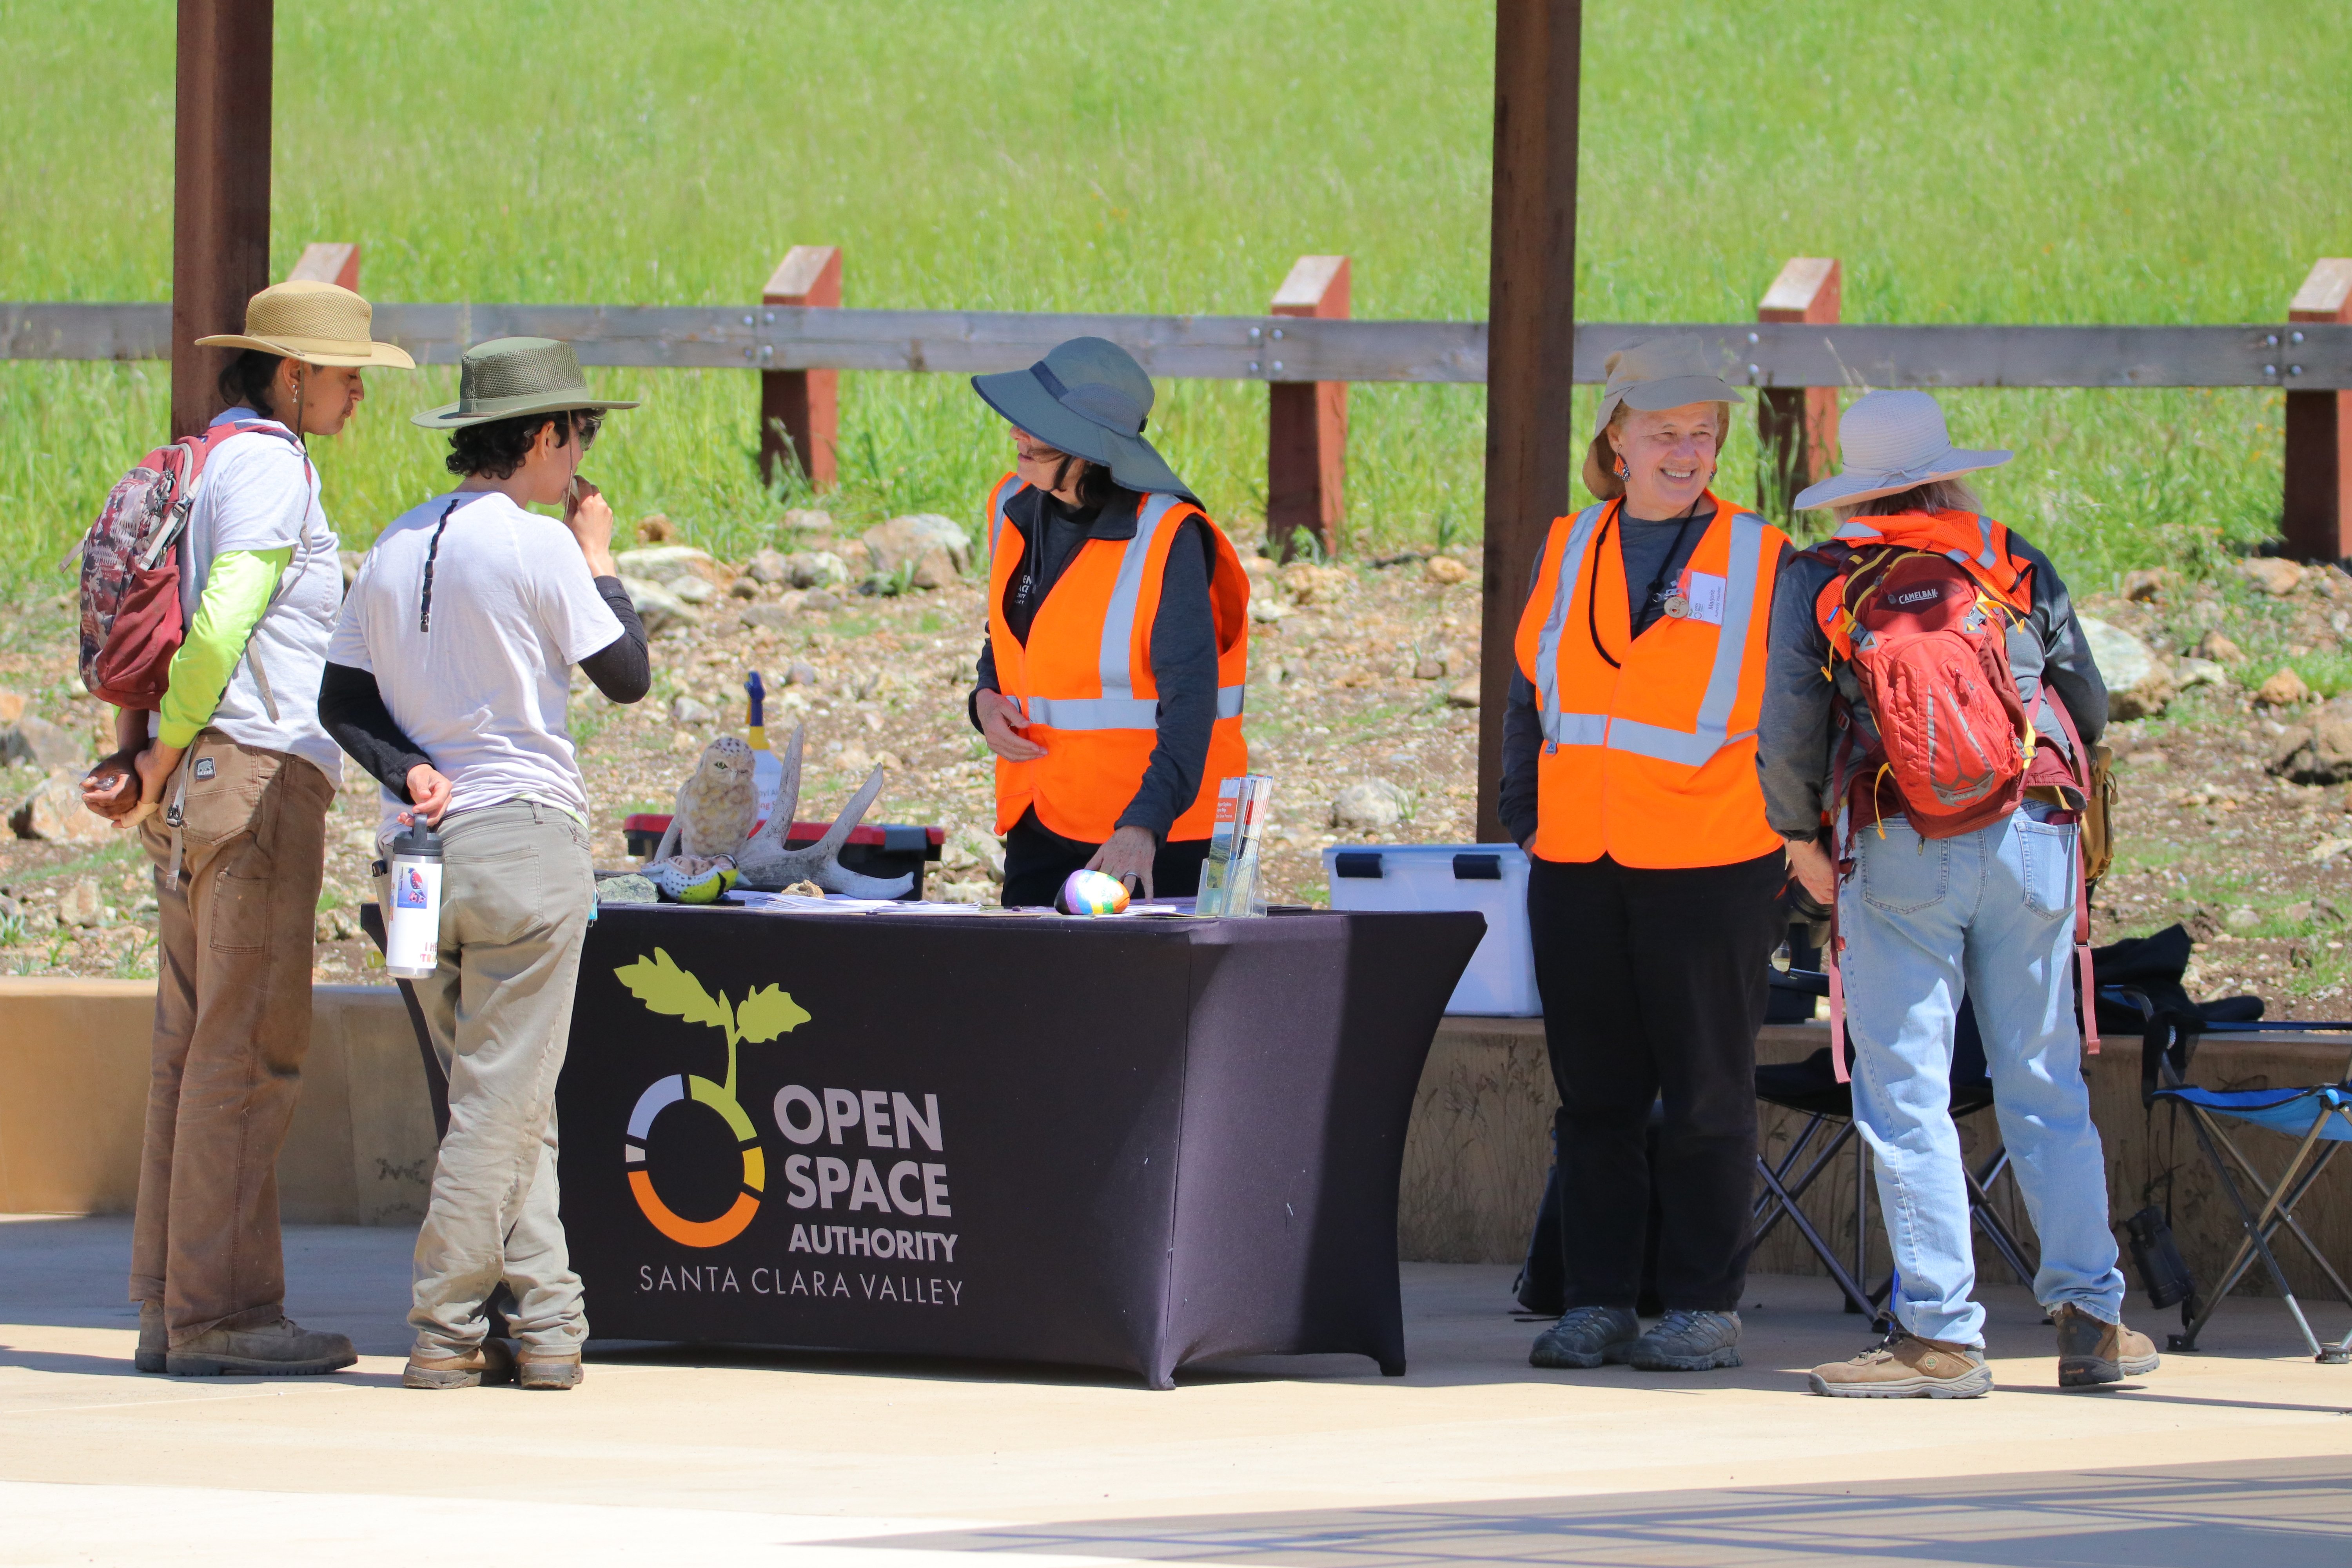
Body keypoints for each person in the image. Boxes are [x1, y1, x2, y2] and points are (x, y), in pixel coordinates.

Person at [1760, 388, 2157, 1397]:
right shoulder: (2009, 558)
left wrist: (1798, 837)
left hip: (1899, 839)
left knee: (1908, 1091)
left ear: (1857, 490)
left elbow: (1790, 727)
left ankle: (1940, 1332)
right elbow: (2088, 702)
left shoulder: (1820, 576)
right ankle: (2094, 1320)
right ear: (1946, 475)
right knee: (2045, 1079)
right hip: (2035, 832)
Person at [76, 281, 414, 1376]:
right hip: (253, 776)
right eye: (346, 374)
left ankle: (167, 1304)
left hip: (194, 785)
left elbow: (160, 624)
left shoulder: (208, 458)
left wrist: (149, 758)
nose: (358, 392)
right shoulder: (272, 467)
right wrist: (164, 751)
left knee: (189, 1050)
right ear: (292, 376)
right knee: (250, 1050)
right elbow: (220, 626)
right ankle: (224, 1315)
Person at [318, 337, 650, 1391]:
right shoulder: (538, 545)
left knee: (506, 1097)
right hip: (522, 844)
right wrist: (598, 554)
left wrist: (409, 769)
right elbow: (627, 674)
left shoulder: (395, 542)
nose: (582, 457)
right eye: (579, 435)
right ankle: (446, 1323)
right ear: (544, 434)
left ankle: (548, 1325)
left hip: (416, 858)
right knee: (499, 1105)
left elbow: (341, 698)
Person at [1502, 337, 1792, 1374]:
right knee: (1595, 1101)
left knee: (1709, 1096)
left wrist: (1800, 841)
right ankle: (1599, 1302)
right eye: (1665, 432)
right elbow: (1532, 688)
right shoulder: (1569, 543)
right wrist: (1524, 813)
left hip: (1714, 861)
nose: (1687, 451)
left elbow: (1802, 712)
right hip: (1578, 858)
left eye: (1704, 434)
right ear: (1616, 440)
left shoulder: (1763, 555)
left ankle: (1704, 1306)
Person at [965, 337, 1250, 906]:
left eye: (1036, 427)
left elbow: (1192, 703)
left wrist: (1142, 827)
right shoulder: (1012, 505)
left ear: (1088, 449)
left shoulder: (1168, 537)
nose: (1016, 434)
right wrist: (985, 699)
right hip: (1042, 819)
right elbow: (1011, 636)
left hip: (1159, 838)